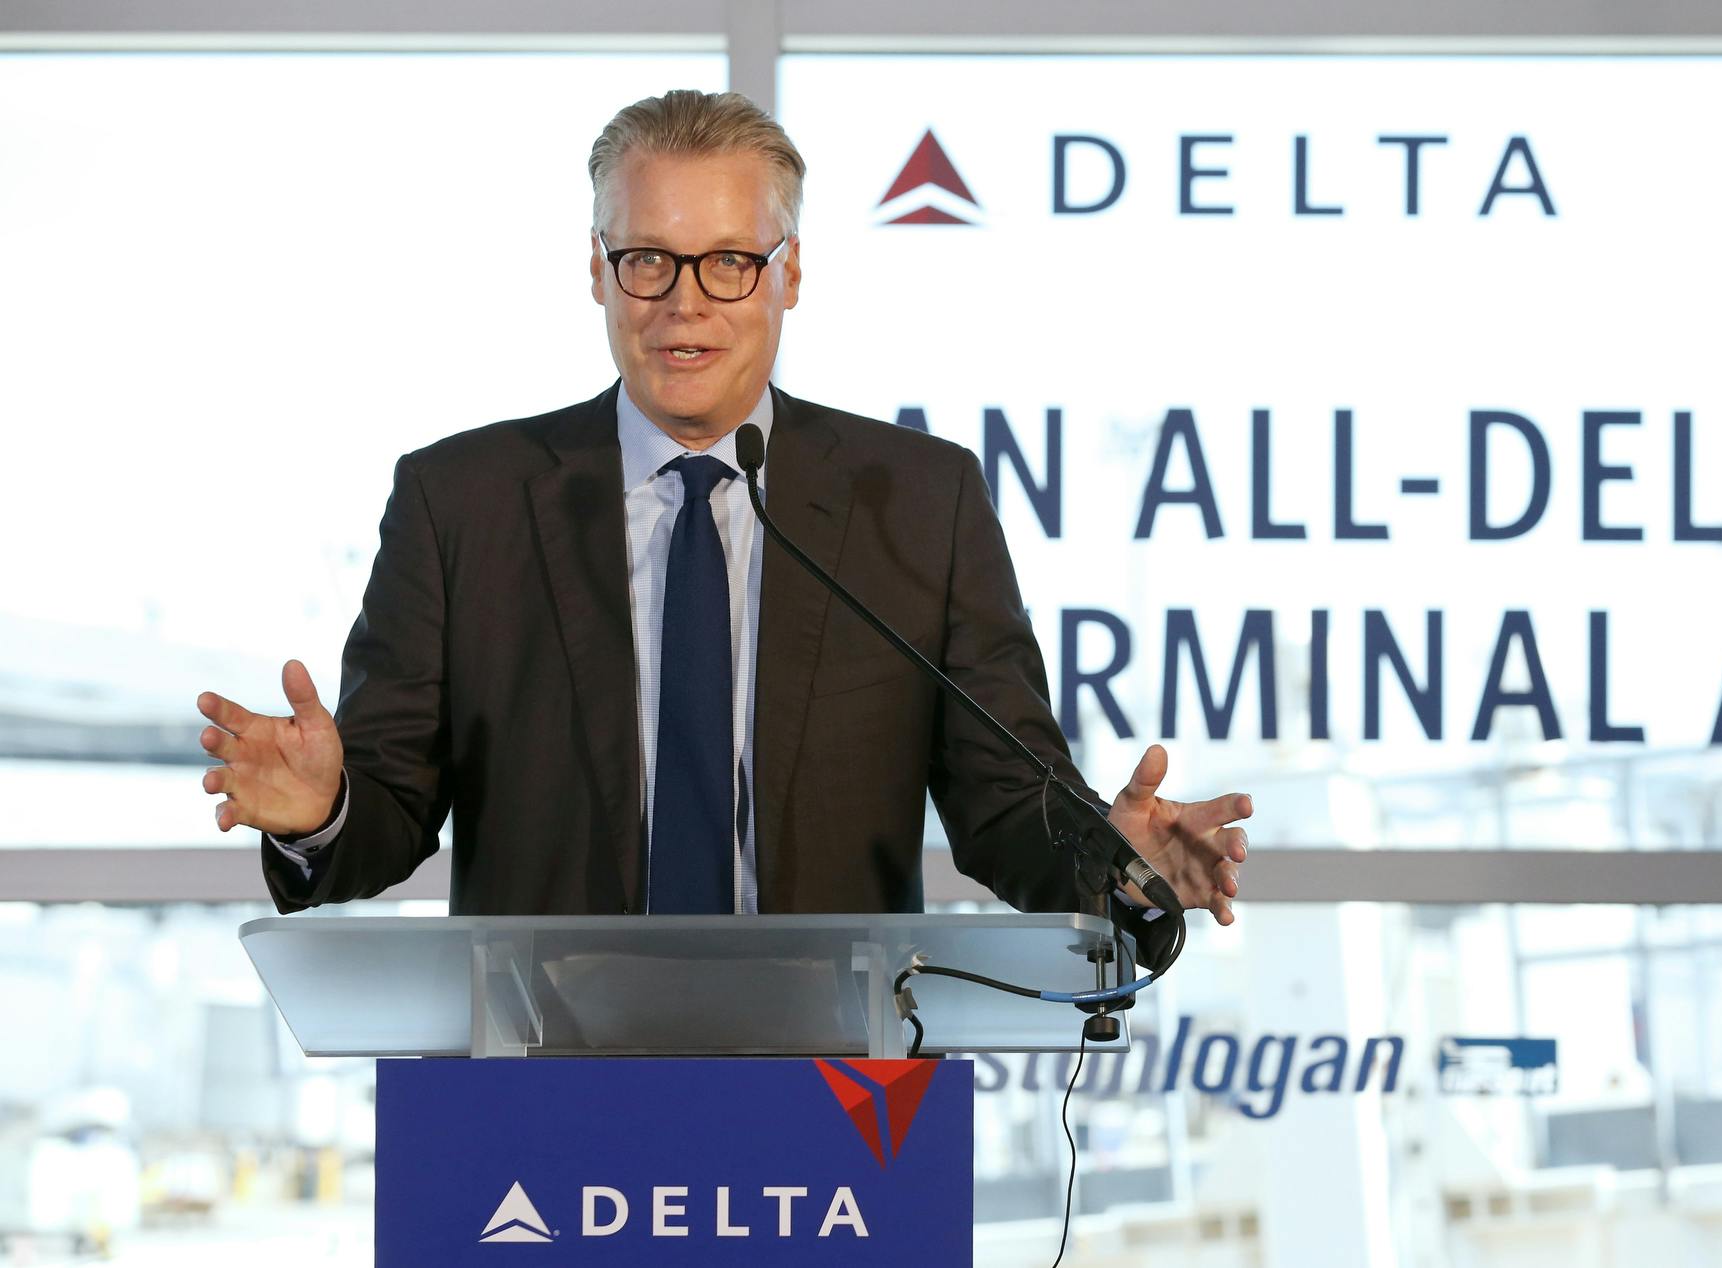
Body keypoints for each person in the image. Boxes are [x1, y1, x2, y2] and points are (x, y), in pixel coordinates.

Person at [194, 90, 1248, 965]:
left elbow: (1007, 805)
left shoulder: (918, 501)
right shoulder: (462, 501)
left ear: (789, 272)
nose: (683, 302)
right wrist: (321, 809)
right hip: (542, 1077)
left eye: (729, 262)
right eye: (647, 259)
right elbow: (383, 814)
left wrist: (1116, 864)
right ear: (597, 268)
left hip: (833, 1088)